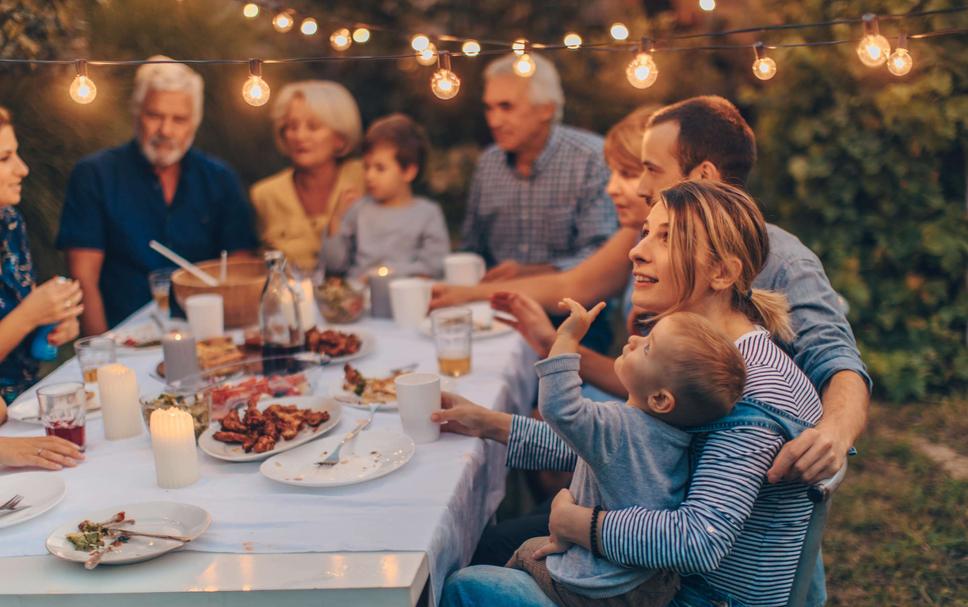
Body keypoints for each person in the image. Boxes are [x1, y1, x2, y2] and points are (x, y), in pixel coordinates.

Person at [433, 96, 870, 488]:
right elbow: (634, 438)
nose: (639, 187)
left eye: (649, 170)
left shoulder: (782, 266)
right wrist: (491, 421)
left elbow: (837, 360)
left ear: (703, 177)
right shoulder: (659, 249)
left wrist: (833, 433)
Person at [438, 180, 825, 606]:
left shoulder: (750, 389)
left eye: (667, 238)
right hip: (658, 584)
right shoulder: (700, 362)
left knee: (468, 585)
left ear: (722, 272)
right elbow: (624, 453)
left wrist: (579, 524)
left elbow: (700, 540)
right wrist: (489, 424)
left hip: (694, 596)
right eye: (646, 233)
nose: (636, 251)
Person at [507, 302, 748, 607]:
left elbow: (559, 407)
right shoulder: (681, 437)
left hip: (597, 586)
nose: (634, 339)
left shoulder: (617, 427)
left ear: (660, 399)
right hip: (651, 584)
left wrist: (567, 340)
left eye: (648, 348)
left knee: (525, 553)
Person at [57, 56, 259, 334]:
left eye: (179, 119)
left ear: (194, 123)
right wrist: (103, 353)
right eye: (154, 115)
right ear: (136, 113)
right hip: (126, 336)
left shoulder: (220, 178)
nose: (165, 130)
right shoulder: (94, 174)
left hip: (208, 333)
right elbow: (83, 278)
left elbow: (239, 267)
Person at [461, 53, 617, 280]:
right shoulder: (488, 163)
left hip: (575, 309)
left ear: (546, 109)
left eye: (506, 107)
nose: (494, 121)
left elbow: (602, 254)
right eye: (489, 108)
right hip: (493, 305)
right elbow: (471, 248)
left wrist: (527, 274)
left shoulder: (591, 158)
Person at [0, 106, 85, 470]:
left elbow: (21, 302)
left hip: (25, 407)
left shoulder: (9, 221)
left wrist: (52, 323)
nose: (23, 168)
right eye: (5, 158)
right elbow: (21, 312)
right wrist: (29, 314)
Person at [250, 80, 365, 274]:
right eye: (292, 127)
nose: (299, 136)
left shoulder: (365, 178)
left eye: (313, 126)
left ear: (339, 137)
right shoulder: (264, 195)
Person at [320, 113, 449, 280]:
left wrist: (386, 274)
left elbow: (435, 265)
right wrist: (336, 220)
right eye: (366, 167)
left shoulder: (427, 214)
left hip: (406, 294)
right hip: (361, 297)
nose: (369, 176)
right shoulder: (359, 209)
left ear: (408, 171)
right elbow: (334, 264)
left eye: (380, 168)